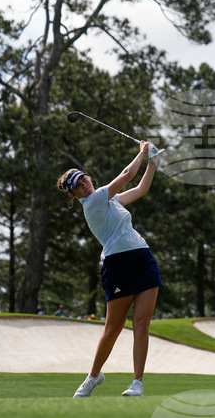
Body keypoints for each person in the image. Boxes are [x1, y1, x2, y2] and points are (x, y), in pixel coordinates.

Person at [59, 141, 161, 398]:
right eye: (78, 186)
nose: (84, 184)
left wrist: (152, 162)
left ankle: (137, 383)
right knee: (113, 328)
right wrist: (141, 152)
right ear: (74, 195)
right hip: (117, 264)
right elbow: (127, 176)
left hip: (142, 258)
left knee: (142, 323)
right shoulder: (92, 203)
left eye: (83, 179)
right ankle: (93, 377)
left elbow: (140, 189)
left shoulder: (110, 200)